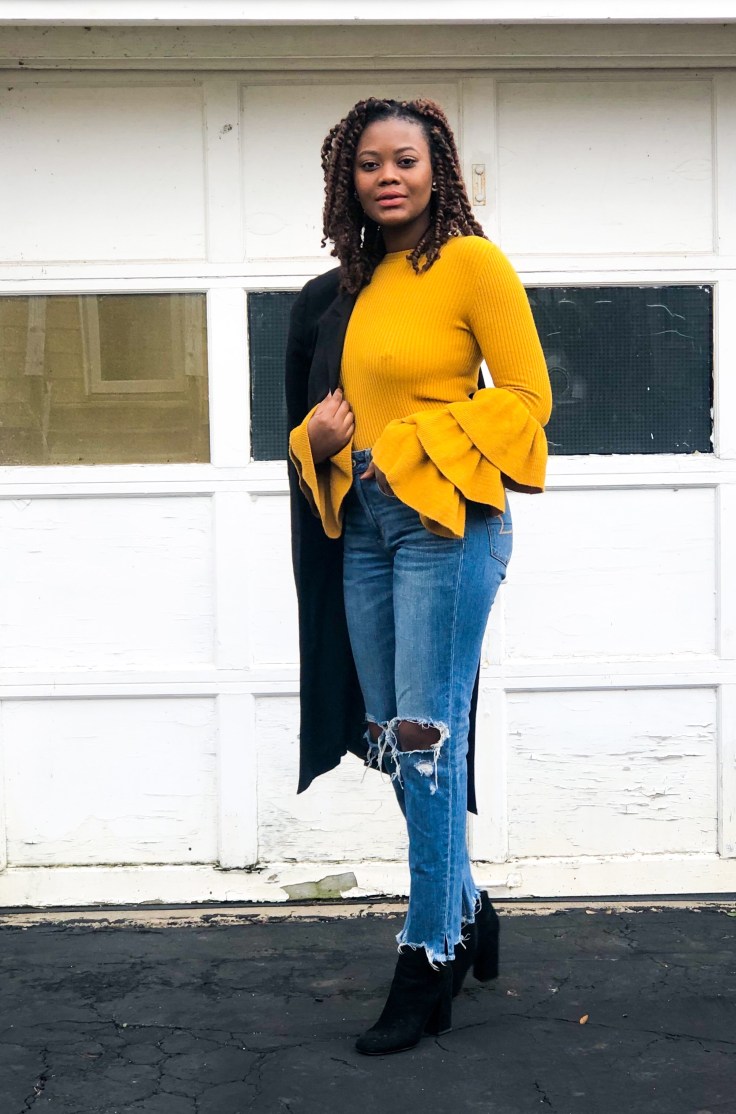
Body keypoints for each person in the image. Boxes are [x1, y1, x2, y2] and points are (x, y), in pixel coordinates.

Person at [285, 97, 552, 1056]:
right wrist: (313, 441)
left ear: (438, 168)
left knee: (425, 736)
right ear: (346, 180)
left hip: (446, 521)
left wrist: (409, 442)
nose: (387, 176)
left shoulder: (471, 264)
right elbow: (324, 419)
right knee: (390, 736)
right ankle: (467, 906)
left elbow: (527, 400)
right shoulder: (346, 289)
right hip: (363, 526)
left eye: (405, 159)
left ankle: (428, 953)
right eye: (369, 164)